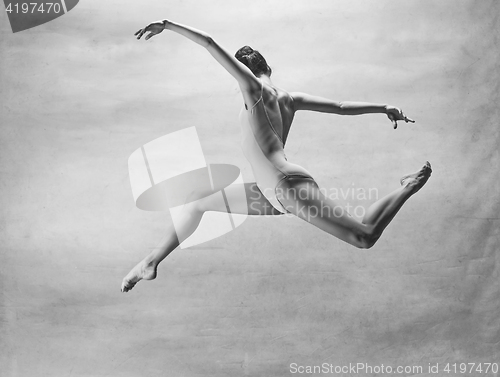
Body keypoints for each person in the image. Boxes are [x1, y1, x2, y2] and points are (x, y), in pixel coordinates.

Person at [121, 19, 432, 292]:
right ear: (268, 67)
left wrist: (168, 25)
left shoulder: (253, 90)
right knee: (197, 201)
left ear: (246, 71)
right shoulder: (289, 98)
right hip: (270, 192)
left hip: (286, 185)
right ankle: (150, 262)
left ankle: (408, 186)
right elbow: (340, 108)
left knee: (364, 236)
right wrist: (383, 107)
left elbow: (209, 43)